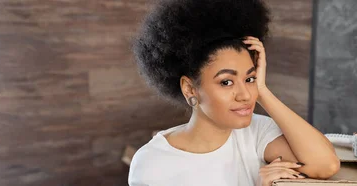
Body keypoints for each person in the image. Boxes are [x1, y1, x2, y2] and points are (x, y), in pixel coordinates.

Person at [128, 0, 340, 185]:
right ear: (190, 88)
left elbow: (325, 165)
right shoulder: (152, 164)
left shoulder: (257, 133)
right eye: (227, 82)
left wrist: (263, 91)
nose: (245, 95)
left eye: (249, 79)